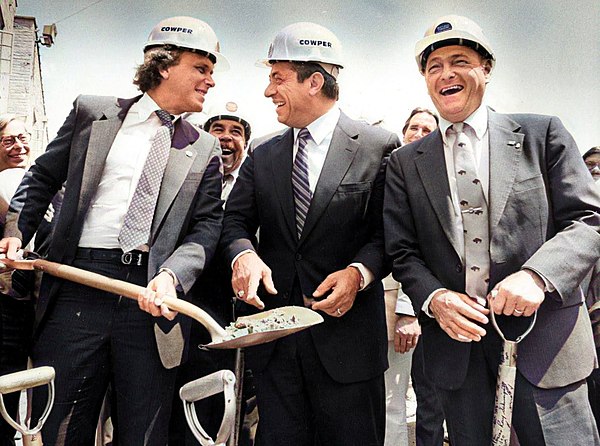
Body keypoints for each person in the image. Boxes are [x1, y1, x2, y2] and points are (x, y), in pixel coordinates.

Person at [0, 16, 225, 445]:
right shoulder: (93, 113)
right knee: (60, 426)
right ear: (163, 66)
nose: (210, 81)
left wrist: (173, 274)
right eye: (201, 68)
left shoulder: (204, 147)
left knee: (143, 434)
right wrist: (16, 229)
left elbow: (205, 226)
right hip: (76, 288)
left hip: (152, 300)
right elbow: (42, 178)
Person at [384, 14, 600, 445]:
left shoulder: (542, 134)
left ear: (486, 68)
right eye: (434, 66)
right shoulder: (405, 163)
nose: (445, 73)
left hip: (547, 347)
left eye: (459, 60)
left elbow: (588, 221)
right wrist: (434, 297)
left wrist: (538, 276)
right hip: (457, 354)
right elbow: (402, 250)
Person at [220, 21, 400, 445]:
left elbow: (390, 234)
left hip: (350, 351)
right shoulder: (263, 154)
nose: (268, 91)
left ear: (314, 81)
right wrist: (242, 253)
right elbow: (234, 222)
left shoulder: (379, 146)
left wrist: (359, 274)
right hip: (277, 349)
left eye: (277, 78)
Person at [169, 102, 254, 445]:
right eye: (218, 129)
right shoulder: (183, 175)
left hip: (231, 312)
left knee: (229, 403)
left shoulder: (253, 181)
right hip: (182, 305)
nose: (226, 138)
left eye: (236, 132)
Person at [383, 107, 439, 446]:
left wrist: (407, 309)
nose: (418, 135)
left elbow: (421, 250)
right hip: (377, 305)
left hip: (407, 312)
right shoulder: (392, 170)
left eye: (426, 130)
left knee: (399, 400)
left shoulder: (436, 180)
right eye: (413, 128)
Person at [0, 115, 35, 446]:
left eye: (22, 138)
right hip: (6, 305)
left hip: (40, 302)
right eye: (8, 141)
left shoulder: (43, 185)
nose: (18, 146)